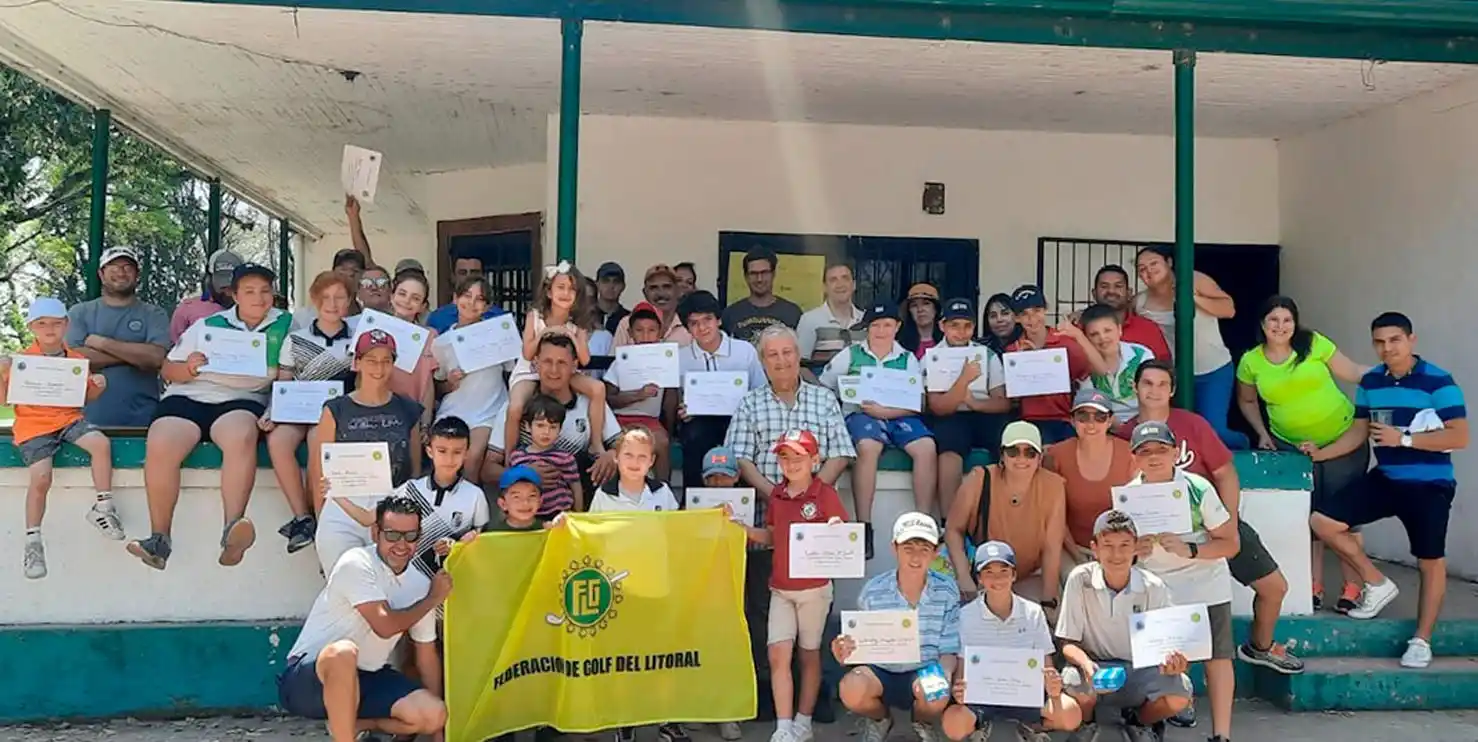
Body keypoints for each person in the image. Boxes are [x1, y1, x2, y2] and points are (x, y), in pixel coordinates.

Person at [1119, 359, 1304, 681]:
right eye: (1147, 383)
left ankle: (1261, 647)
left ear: (1173, 390)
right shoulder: (1124, 434)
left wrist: (1230, 520)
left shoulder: (1193, 425)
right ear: (1135, 388)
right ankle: (1178, 690)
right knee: (1174, 618)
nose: (1155, 391)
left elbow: (1225, 472)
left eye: (1163, 384)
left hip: (1214, 524)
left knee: (1275, 588)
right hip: (1163, 544)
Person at [1310, 312, 1467, 670]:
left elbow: (1459, 436)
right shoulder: (1371, 381)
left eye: (1394, 340)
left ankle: (1421, 640)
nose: (1387, 348)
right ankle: (1376, 582)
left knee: (1430, 561)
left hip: (1430, 484)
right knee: (1322, 521)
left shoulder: (1438, 381)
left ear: (1411, 340)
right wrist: (1321, 453)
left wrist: (1405, 439)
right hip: (1386, 477)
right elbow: (1358, 431)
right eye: (1379, 342)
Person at [127, 263, 292, 570]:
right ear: (235, 295)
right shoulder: (208, 325)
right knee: (161, 439)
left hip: (242, 400)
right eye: (250, 292)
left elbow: (289, 375)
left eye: (265, 291)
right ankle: (159, 539)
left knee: (242, 435)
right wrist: (188, 367)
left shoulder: (286, 325)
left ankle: (232, 531)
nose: (259, 298)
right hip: (189, 396)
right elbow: (168, 369)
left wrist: (277, 408)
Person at [726, 325, 857, 701]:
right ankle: (770, 695)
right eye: (772, 355)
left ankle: (811, 703)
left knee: (812, 625)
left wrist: (809, 497)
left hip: (816, 526)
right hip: (771, 515)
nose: (781, 361)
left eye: (787, 352)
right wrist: (779, 498)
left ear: (798, 354)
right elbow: (741, 459)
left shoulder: (823, 400)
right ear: (762, 361)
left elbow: (841, 453)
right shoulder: (750, 403)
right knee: (766, 612)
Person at [275, 496, 450, 742]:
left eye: (410, 536)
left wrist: (438, 736)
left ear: (419, 537)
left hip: (368, 676)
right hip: (310, 678)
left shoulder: (420, 585)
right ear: (376, 532)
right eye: (392, 535)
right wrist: (433, 599)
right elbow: (384, 625)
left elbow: (426, 656)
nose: (401, 544)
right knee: (343, 653)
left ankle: (350, 725)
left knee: (433, 714)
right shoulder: (356, 562)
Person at [1235, 296, 1370, 612]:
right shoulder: (1251, 361)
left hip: (1342, 441)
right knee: (1306, 519)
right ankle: (1313, 586)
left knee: (1343, 519)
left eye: (1287, 320)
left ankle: (1353, 587)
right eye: (1273, 320)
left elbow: (1352, 371)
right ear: (1262, 324)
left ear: (1295, 323)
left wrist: (1395, 370)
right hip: (1291, 448)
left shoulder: (1314, 344)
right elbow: (1248, 401)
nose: (1280, 327)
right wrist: (1262, 432)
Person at [1126, 420, 1239, 742]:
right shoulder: (1129, 497)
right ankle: (1154, 720)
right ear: (1134, 458)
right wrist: (1136, 551)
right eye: (1144, 452)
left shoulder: (1198, 488)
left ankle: (1222, 735)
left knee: (1218, 659)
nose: (1154, 457)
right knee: (1160, 663)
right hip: (1156, 588)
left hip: (1206, 582)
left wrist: (1191, 549)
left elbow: (1230, 544)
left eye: (1161, 450)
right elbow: (1120, 554)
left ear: (1176, 453)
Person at [741, 430, 848, 742]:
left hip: (814, 589)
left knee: (809, 655)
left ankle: (804, 721)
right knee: (778, 654)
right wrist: (743, 529)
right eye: (785, 457)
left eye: (798, 456)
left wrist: (835, 529)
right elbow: (773, 537)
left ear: (814, 460)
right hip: (781, 588)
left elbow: (842, 534)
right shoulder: (777, 494)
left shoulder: (825, 493)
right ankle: (783, 725)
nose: (791, 463)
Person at [1, 297, 116, 579]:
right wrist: (2, 372)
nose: (49, 329)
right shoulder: (20, 361)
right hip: (34, 425)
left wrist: (99, 387)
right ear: (32, 328)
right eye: (42, 324)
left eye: (55, 323)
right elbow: (4, 399)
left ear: (66, 325)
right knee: (41, 477)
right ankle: (33, 541)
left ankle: (103, 508)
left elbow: (84, 398)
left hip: (68, 420)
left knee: (100, 443)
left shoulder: (77, 360)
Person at [1057, 510, 1193, 742]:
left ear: (1136, 548)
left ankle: (1140, 722)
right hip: (1095, 669)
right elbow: (1067, 642)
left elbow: (1167, 645)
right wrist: (1086, 664)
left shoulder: (1153, 587)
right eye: (1107, 545)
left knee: (1180, 692)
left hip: (1139, 669)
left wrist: (1175, 663)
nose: (1116, 554)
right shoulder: (1080, 579)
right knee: (1071, 682)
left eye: (1124, 545)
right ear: (1095, 548)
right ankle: (1087, 724)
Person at [818, 299, 936, 555]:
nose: (881, 331)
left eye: (887, 325)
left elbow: (919, 402)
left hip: (899, 416)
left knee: (926, 447)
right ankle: (864, 525)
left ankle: (923, 525)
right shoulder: (850, 354)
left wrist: (886, 412)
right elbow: (824, 386)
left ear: (897, 326)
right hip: (860, 415)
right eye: (875, 325)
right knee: (868, 446)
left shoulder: (906, 358)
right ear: (866, 328)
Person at [832, 512, 958, 742]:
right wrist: (844, 651)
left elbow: (948, 649)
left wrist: (944, 677)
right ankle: (881, 719)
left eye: (924, 549)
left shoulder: (947, 591)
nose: (916, 557)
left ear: (936, 552)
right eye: (908, 548)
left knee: (937, 692)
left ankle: (922, 722)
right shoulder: (874, 590)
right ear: (894, 548)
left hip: (924, 668)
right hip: (881, 670)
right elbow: (858, 647)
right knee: (851, 689)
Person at [941, 541, 1081, 742]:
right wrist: (960, 690)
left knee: (1070, 714)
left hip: (1026, 699)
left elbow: (1046, 664)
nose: (997, 578)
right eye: (988, 572)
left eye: (1003, 571)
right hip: (983, 701)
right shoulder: (966, 615)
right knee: (953, 723)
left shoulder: (1032, 612)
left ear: (1014, 575)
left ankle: (1031, 729)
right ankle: (982, 731)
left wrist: (1053, 685)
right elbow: (963, 670)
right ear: (979, 578)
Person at [309, 331, 425, 573]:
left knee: (388, 587)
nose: (379, 368)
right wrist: (322, 517)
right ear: (357, 362)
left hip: (392, 508)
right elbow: (319, 469)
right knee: (343, 584)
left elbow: (414, 468)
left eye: (386, 360)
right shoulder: (336, 409)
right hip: (344, 505)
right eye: (371, 360)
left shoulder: (408, 409)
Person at [260, 271, 358, 553]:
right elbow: (284, 380)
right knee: (278, 441)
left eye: (340, 297)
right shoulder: (295, 339)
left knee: (319, 445)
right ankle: (302, 517)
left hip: (333, 414)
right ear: (315, 300)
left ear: (349, 301)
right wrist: (271, 411)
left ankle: (323, 520)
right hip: (297, 410)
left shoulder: (355, 340)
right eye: (325, 297)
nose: (332, 303)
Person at [1133, 245, 1247, 449]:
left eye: (1153, 264)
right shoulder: (1140, 302)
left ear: (1168, 263)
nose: (1148, 271)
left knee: (1214, 430)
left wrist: (1192, 297)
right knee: (1179, 429)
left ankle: (1243, 444)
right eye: (1142, 269)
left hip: (1214, 369)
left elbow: (1228, 309)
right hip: (1175, 375)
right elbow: (1115, 319)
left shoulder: (1194, 279)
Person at [942, 421, 1065, 608]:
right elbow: (953, 529)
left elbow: (1052, 547)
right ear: (1002, 455)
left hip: (1028, 577)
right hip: (982, 576)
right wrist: (964, 578)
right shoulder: (979, 478)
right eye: (1013, 451)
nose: (1021, 458)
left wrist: (1048, 600)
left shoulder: (1054, 486)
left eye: (1029, 452)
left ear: (1040, 458)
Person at [482, 334, 622, 493]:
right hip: (529, 503)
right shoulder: (517, 406)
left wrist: (611, 455)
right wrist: (523, 473)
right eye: (547, 361)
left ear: (574, 365)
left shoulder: (590, 403)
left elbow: (621, 444)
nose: (554, 370)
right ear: (535, 364)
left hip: (576, 497)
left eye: (562, 362)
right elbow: (487, 469)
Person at [504, 262, 608, 473]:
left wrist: (571, 335)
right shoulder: (536, 315)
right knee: (515, 407)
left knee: (598, 389)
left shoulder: (578, 322)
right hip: (530, 370)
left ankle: (596, 441)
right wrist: (545, 332)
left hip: (562, 371)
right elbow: (527, 353)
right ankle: (509, 454)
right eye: (560, 287)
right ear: (549, 292)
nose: (566, 293)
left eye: (572, 289)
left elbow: (584, 359)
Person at [65, 246, 170, 427]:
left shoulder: (154, 313)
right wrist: (134, 355)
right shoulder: (79, 312)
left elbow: (156, 358)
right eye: (113, 267)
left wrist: (102, 343)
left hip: (143, 421)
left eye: (127, 267)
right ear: (101, 273)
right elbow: (74, 360)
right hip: (84, 423)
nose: (121, 273)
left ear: (137, 275)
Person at [676, 290, 768, 494]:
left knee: (744, 441)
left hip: (741, 421)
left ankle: (744, 504)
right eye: (694, 323)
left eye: (707, 319)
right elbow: (675, 402)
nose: (702, 327)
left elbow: (760, 392)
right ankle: (696, 501)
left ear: (718, 320)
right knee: (694, 436)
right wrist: (682, 410)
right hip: (698, 423)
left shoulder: (744, 351)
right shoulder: (680, 358)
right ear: (687, 328)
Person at [924, 297, 1009, 513]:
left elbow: (1002, 403)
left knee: (1007, 444)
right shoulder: (931, 358)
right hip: (951, 415)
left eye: (967, 326)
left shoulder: (987, 355)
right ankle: (949, 521)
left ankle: (1005, 513)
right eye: (954, 325)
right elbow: (938, 407)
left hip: (982, 412)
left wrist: (974, 403)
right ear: (942, 326)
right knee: (949, 449)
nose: (961, 332)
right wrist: (964, 381)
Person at [1003, 285, 1108, 446]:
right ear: (1016, 318)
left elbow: (1094, 373)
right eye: (1024, 314)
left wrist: (1078, 336)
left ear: (1046, 309)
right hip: (1029, 420)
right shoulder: (1013, 350)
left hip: (1064, 419)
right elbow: (1013, 398)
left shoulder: (1065, 342)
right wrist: (1024, 361)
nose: (1032, 319)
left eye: (1036, 310)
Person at [435, 276, 512, 483]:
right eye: (466, 295)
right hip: (454, 410)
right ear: (455, 298)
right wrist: (450, 382)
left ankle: (470, 511)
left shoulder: (498, 334)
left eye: (479, 299)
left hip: (489, 411)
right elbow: (438, 387)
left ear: (487, 306)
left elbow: (511, 372)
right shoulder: (441, 343)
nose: (471, 303)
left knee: (472, 460)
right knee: (446, 462)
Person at [1046, 388, 1133, 568]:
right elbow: (1054, 516)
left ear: (1110, 421)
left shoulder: (1129, 454)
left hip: (1121, 551)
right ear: (1072, 421)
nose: (1091, 423)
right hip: (1073, 549)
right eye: (1083, 416)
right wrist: (1077, 556)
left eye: (1099, 417)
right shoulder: (1057, 455)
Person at [606, 302, 677, 481]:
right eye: (639, 330)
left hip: (650, 420)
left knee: (662, 442)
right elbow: (609, 398)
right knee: (620, 444)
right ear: (630, 333)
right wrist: (638, 395)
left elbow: (670, 402)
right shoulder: (621, 362)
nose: (645, 336)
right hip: (620, 420)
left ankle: (663, 491)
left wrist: (671, 428)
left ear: (660, 333)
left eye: (651, 330)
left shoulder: (665, 362)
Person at [505, 394, 585, 519]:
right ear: (527, 426)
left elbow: (576, 487)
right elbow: (509, 486)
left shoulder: (565, 457)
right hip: (528, 515)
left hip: (559, 516)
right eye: (540, 425)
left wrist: (578, 515)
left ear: (560, 429)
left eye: (553, 427)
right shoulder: (516, 457)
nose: (546, 432)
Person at [1079, 303, 1155, 423]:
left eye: (1107, 331)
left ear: (1119, 330)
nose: (1102, 338)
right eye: (1094, 334)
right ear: (1086, 338)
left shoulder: (1141, 355)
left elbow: (1153, 397)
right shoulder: (1085, 363)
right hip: (1104, 425)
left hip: (1142, 421)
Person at [294, 214, 370, 331]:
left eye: (355, 271)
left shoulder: (367, 319)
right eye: (343, 271)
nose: (349, 276)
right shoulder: (304, 317)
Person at [386, 271, 440, 432]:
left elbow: (427, 384)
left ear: (423, 306)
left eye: (415, 298)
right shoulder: (375, 328)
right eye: (402, 294)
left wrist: (425, 423)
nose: (407, 301)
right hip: (381, 411)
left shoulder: (430, 336)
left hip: (413, 416)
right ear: (391, 296)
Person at [587, 427, 681, 514]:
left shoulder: (663, 492)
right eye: (628, 455)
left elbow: (674, 527)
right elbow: (594, 529)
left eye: (642, 457)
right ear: (616, 457)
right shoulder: (603, 496)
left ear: (651, 460)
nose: (635, 462)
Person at [1087, 265, 1170, 360]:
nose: (1111, 291)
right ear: (1094, 293)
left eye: (1118, 286)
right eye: (1104, 286)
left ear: (1129, 293)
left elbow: (1165, 367)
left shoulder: (1148, 329)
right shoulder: (1080, 328)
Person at [723, 248, 802, 344]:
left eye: (764, 272)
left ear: (773, 274)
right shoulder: (730, 314)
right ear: (746, 276)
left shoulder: (793, 313)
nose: (759, 279)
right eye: (753, 273)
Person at [794, 260, 864, 363]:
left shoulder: (865, 320)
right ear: (824, 287)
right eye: (833, 280)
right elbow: (800, 364)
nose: (840, 284)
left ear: (853, 285)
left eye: (845, 278)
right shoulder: (809, 320)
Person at [171, 249, 242, 344]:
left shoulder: (257, 310)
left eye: (232, 286)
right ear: (209, 279)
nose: (228, 292)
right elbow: (173, 351)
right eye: (222, 286)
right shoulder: (188, 309)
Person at [612, 264, 692, 347]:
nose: (661, 293)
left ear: (678, 291)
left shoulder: (690, 324)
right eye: (653, 287)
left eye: (667, 286)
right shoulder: (626, 324)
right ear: (645, 293)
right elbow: (614, 359)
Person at [426, 251, 494, 334]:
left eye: (474, 272)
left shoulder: (499, 318)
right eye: (463, 272)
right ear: (453, 276)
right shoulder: (437, 318)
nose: (469, 276)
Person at [485, 465, 556, 532]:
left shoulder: (546, 529)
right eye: (517, 497)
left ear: (540, 502)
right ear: (503, 504)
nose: (525, 502)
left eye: (532, 496)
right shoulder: (494, 534)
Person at [899, 283, 943, 360]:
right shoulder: (899, 345)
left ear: (936, 309)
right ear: (909, 311)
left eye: (926, 304)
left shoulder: (947, 341)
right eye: (914, 305)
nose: (920, 309)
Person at [594, 261, 630, 334]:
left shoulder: (629, 319)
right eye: (605, 281)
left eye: (616, 281)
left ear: (623, 286)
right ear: (597, 284)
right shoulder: (586, 316)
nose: (611, 286)